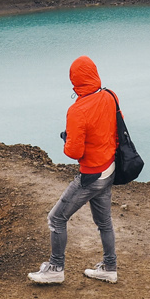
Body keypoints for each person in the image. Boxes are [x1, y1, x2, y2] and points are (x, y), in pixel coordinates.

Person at [28, 55, 119, 285]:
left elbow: (74, 152)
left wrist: (67, 140)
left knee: (56, 218)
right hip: (109, 169)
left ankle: (55, 268)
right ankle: (110, 267)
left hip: (91, 175)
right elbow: (115, 130)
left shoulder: (77, 110)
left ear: (75, 81)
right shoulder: (110, 96)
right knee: (104, 222)